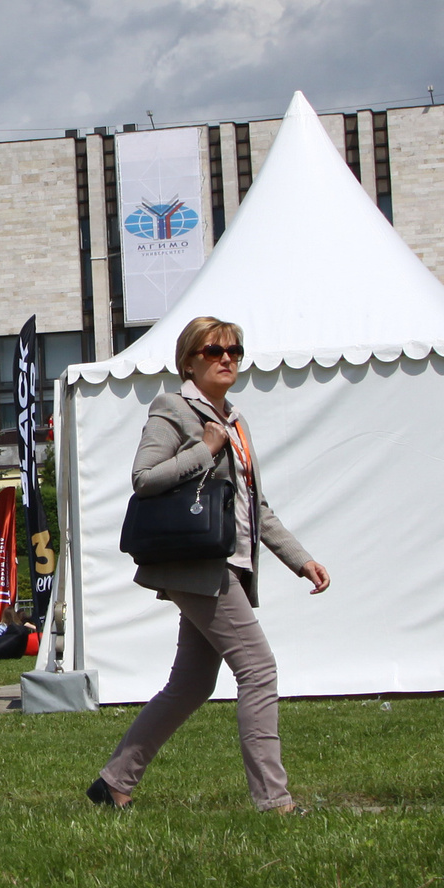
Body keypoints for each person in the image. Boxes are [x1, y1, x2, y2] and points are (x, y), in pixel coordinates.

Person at [90, 315, 330, 815]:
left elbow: (254, 506)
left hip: (228, 565)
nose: (227, 358)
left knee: (192, 684)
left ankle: (114, 782)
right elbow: (144, 478)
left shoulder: (236, 421)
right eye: (213, 351)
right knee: (259, 671)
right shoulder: (172, 409)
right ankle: (274, 802)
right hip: (198, 566)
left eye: (235, 351)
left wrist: (299, 559)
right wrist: (205, 448)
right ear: (188, 361)